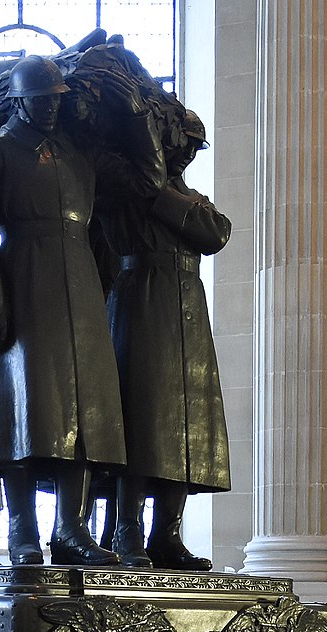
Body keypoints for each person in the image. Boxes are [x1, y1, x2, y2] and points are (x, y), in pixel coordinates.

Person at [0, 57, 125, 567]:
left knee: (86, 415)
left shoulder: (75, 154)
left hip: (82, 290)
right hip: (23, 284)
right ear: (19, 100)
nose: (52, 106)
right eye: (43, 97)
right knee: (23, 415)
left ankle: (71, 530)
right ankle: (21, 529)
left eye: (57, 97)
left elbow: (98, 231)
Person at [99, 111, 231, 571]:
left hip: (187, 308)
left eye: (196, 146)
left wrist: (164, 197)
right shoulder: (128, 189)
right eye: (184, 143)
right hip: (142, 299)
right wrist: (155, 191)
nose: (190, 153)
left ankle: (166, 534)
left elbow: (216, 233)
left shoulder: (187, 195)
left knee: (187, 426)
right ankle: (124, 530)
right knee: (142, 418)